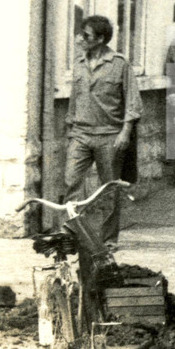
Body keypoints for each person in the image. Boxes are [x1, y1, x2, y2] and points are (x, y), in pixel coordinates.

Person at [65, 15, 142, 246]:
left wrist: (125, 132)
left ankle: (108, 239)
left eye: (86, 35)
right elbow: (74, 100)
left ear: (100, 39)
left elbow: (133, 102)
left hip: (109, 136)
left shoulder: (119, 64)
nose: (80, 39)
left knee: (109, 189)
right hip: (80, 134)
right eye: (80, 33)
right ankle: (73, 232)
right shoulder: (78, 64)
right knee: (71, 181)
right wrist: (70, 127)